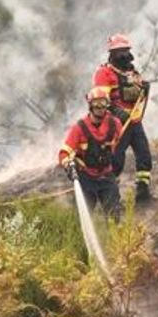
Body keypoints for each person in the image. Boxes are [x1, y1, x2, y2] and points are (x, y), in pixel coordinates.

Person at [93, 33, 152, 202]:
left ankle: (143, 193)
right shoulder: (104, 73)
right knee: (116, 161)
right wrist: (116, 111)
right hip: (116, 123)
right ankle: (110, 198)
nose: (124, 55)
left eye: (126, 50)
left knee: (144, 156)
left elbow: (137, 92)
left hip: (134, 121)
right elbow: (100, 99)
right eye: (120, 51)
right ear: (112, 53)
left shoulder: (131, 71)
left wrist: (144, 88)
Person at [59, 87, 123, 219]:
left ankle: (113, 239)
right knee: (81, 217)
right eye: (96, 103)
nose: (100, 107)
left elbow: (117, 144)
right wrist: (68, 165)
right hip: (86, 178)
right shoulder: (79, 128)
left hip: (106, 177)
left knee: (114, 216)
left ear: (108, 104)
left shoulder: (115, 124)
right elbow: (64, 152)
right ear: (90, 105)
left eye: (103, 103)